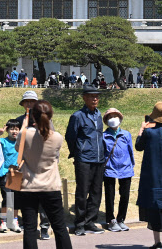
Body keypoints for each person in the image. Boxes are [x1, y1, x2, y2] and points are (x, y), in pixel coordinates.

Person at [15, 101, 72, 249]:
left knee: (29, 228)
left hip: (29, 186)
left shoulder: (25, 134)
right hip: (50, 186)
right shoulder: (57, 137)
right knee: (59, 227)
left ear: (33, 115)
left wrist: (26, 125)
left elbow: (17, 149)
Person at [64, 85, 104, 235]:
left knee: (96, 191)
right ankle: (80, 223)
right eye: (91, 96)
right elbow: (70, 136)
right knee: (82, 191)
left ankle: (90, 221)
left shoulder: (99, 115)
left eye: (97, 96)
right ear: (84, 98)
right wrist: (78, 153)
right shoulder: (77, 116)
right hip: (84, 159)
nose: (95, 99)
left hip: (99, 159)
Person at [137, 102, 162, 249]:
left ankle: (157, 242)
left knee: (154, 209)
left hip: (153, 175)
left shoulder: (149, 132)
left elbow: (138, 146)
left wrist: (142, 129)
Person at [16, 90, 51, 239]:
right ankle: (28, 224)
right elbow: (15, 143)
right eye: (27, 101)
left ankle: (44, 227)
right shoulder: (18, 120)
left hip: (41, 165)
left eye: (32, 101)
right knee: (27, 197)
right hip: (25, 164)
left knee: (43, 197)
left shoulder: (46, 120)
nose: (29, 104)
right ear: (23, 104)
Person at [101, 108, 134, 232]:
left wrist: (131, 165)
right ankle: (111, 219)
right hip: (109, 168)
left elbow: (131, 151)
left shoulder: (126, 134)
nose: (113, 119)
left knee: (125, 195)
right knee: (110, 195)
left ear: (120, 118)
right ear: (106, 121)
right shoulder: (103, 136)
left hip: (125, 168)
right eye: (110, 117)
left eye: (115, 116)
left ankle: (121, 219)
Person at [0, 119, 21, 233]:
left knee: (16, 198)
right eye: (12, 129)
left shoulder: (21, 142)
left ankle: (15, 221)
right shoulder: (2, 141)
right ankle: (3, 221)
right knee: (7, 197)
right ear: (7, 130)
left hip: (16, 173)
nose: (14, 131)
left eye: (16, 129)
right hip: (4, 172)